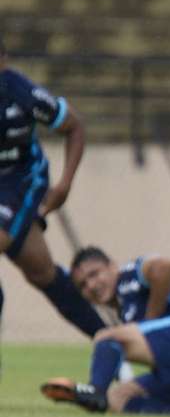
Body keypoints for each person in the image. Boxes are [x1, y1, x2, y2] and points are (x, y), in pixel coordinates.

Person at [41, 247, 170, 415]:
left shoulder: (127, 278)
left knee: (106, 337)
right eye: (83, 285)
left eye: (94, 274)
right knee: (117, 399)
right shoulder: (125, 310)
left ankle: (94, 390)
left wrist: (149, 321)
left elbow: (164, 265)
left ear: (112, 266)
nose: (91, 285)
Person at [0, 34, 106, 340]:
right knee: (40, 269)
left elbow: (74, 126)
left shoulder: (23, 94)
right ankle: (112, 344)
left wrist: (64, 185)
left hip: (18, 181)